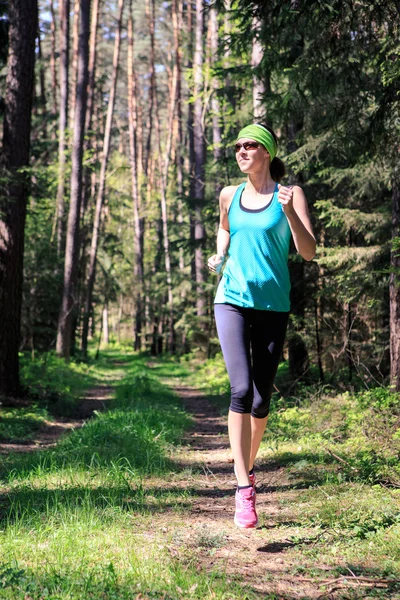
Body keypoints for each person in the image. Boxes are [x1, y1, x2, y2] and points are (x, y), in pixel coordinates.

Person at [208, 123, 316, 528]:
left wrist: (289, 213)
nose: (241, 151)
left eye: (249, 145)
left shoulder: (291, 195)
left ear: (267, 152)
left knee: (259, 400)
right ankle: (244, 488)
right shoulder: (229, 195)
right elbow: (225, 228)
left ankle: (244, 468)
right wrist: (221, 253)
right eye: (237, 146)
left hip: (272, 304)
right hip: (231, 299)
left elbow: (307, 252)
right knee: (239, 388)